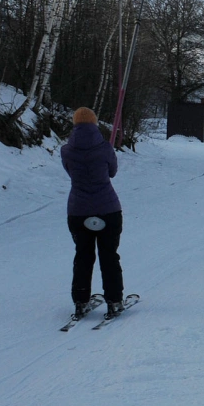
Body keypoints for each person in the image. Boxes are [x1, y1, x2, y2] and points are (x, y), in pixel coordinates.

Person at [61, 107, 125, 320]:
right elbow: (112, 172)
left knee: (83, 256)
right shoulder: (105, 148)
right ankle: (114, 301)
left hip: (78, 211)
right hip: (108, 209)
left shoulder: (66, 150)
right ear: (95, 123)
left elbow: (71, 172)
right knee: (109, 256)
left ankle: (80, 302)